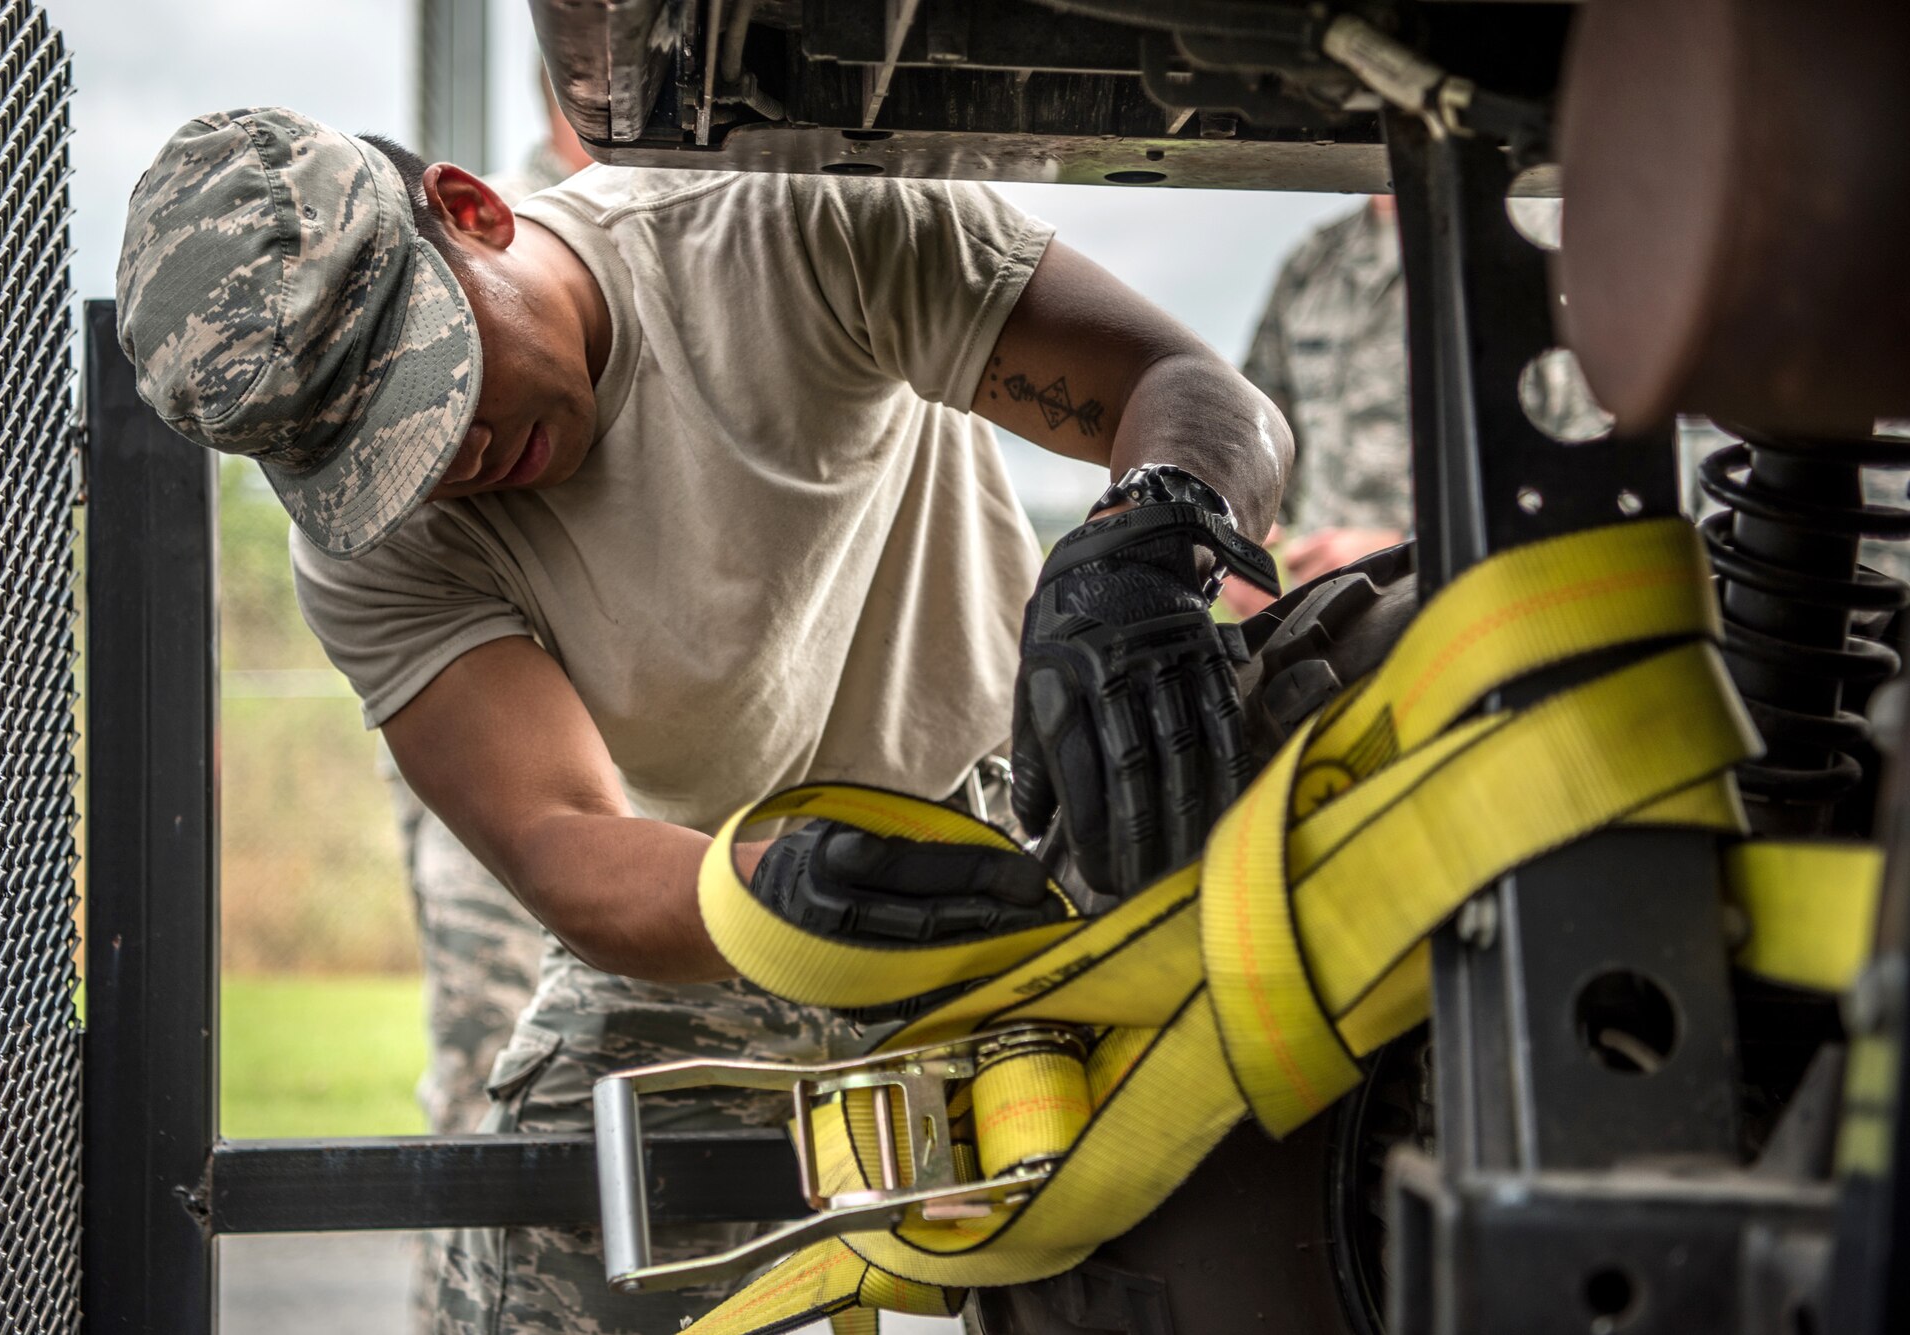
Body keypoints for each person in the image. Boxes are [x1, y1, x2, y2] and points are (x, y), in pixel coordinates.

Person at [115, 107, 1288, 1334]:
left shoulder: (778, 219)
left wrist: (1145, 556)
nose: (442, 464)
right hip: (713, 905)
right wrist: (781, 897)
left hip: (1039, 856)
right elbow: (562, 839)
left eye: (429, 390)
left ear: (473, 212)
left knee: (1247, 1235)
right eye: (372, 462)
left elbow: (1190, 391)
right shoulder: (375, 548)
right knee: (539, 1280)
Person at [372, 65, 599, 1335]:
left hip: (699, 762)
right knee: (496, 1099)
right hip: (512, 764)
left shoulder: (726, 207)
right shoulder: (458, 236)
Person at [1230, 195, 1610, 615]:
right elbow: (1260, 423)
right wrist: (1240, 537)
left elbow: (1590, 461)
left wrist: (1413, 546)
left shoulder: (1540, 240)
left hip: (1498, 604)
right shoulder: (1316, 262)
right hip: (1335, 618)